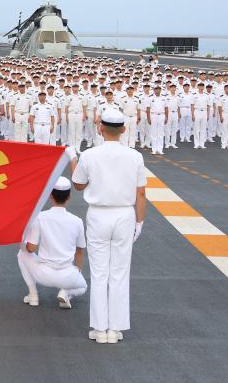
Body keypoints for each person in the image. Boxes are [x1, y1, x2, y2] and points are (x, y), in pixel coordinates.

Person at [72, 107, 147, 344]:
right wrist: (139, 221)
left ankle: (100, 328)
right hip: (125, 214)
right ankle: (115, 328)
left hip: (98, 215)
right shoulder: (135, 156)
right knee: (120, 273)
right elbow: (141, 193)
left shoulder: (90, 155)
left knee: (99, 272)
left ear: (100, 128)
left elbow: (78, 185)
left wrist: (73, 161)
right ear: (124, 130)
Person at [17, 176, 88, 309]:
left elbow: (31, 248)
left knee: (21, 254)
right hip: (67, 275)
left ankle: (33, 295)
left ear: (50, 195)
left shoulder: (40, 217)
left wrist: (21, 242)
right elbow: (79, 252)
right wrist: (75, 275)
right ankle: (66, 293)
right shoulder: (77, 221)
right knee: (83, 287)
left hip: (43, 274)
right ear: (69, 196)